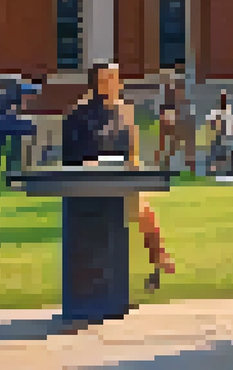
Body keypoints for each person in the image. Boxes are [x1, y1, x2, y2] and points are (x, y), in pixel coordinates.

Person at [63, 63, 176, 290]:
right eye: (106, 79)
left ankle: (157, 258)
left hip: (121, 176)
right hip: (90, 180)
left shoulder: (125, 111)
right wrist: (88, 162)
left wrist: (133, 162)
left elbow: (131, 147)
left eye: (114, 78)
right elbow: (70, 155)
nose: (112, 84)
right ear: (95, 84)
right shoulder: (79, 114)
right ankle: (157, 257)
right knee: (139, 207)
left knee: (140, 205)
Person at [0, 76, 41, 181]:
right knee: (8, 149)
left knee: (2, 150)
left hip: (1, 124)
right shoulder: (13, 99)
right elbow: (14, 115)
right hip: (3, 124)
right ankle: (7, 173)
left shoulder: (8, 96)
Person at [156, 69, 198, 174]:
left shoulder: (187, 103)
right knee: (172, 141)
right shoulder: (168, 100)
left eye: (180, 89)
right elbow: (164, 117)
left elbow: (190, 120)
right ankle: (166, 162)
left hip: (184, 127)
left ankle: (190, 164)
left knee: (186, 141)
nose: (179, 92)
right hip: (173, 129)